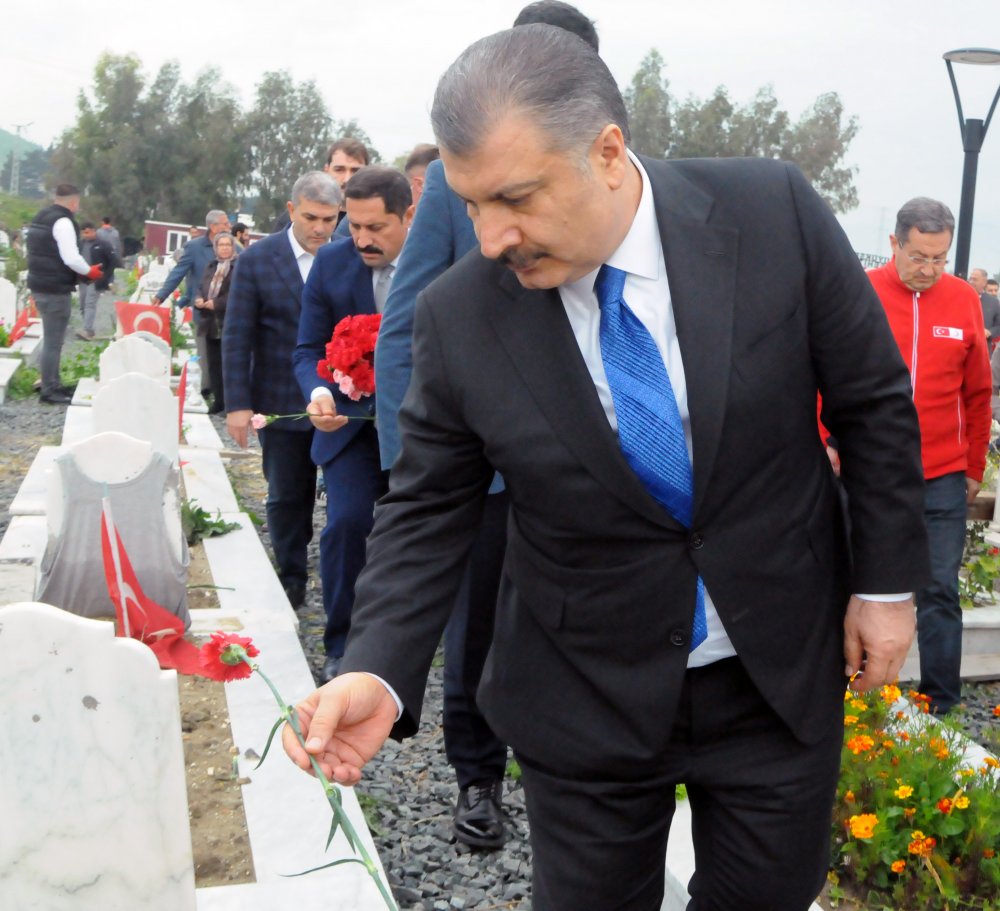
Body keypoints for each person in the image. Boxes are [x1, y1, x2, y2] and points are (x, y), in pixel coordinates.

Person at [283, 26, 929, 911]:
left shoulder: (769, 211)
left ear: (608, 152)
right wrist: (380, 667)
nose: (494, 235)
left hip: (774, 668)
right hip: (583, 686)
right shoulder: (460, 315)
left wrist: (887, 584)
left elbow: (872, 399)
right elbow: (429, 506)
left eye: (515, 197)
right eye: (471, 205)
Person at [374, 0, 600, 853]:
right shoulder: (453, 197)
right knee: (481, 629)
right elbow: (406, 329)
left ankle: (580, 774)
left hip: (599, 468)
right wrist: (415, 466)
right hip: (490, 468)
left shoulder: (610, 177)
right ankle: (478, 777)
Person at [868, 199, 991, 715]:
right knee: (863, 584)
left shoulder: (964, 300)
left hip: (942, 474)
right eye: (919, 257)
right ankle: (854, 694)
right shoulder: (863, 292)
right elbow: (824, 371)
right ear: (895, 244)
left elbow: (978, 391)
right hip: (871, 470)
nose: (929, 271)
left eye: (940, 260)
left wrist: (973, 467)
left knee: (939, 589)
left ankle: (941, 701)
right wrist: (828, 438)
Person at [293, 166, 413, 683]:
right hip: (351, 424)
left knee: (414, 537)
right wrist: (319, 393)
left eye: (376, 228)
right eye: (354, 225)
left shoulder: (437, 265)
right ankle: (341, 643)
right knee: (345, 525)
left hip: (418, 428)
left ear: (409, 216)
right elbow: (306, 349)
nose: (362, 240)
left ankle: (410, 644)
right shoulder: (331, 264)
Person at [223, 172, 342, 611]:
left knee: (347, 498)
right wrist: (237, 404)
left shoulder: (346, 257)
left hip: (339, 402)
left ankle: (344, 583)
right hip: (280, 400)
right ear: (292, 210)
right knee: (288, 495)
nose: (320, 228)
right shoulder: (258, 260)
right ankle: (291, 576)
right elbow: (237, 335)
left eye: (330, 219)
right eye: (311, 217)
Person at [26, 183, 104, 404]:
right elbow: (70, 258)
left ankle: (53, 381)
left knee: (52, 338)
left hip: (39, 283)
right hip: (54, 287)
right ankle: (49, 389)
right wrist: (90, 271)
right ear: (73, 201)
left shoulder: (41, 216)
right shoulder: (64, 222)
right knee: (54, 340)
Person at [154, 210, 231, 400]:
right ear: (214, 227)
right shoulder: (195, 247)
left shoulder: (233, 247)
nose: (228, 227)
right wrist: (162, 295)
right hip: (203, 311)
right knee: (205, 352)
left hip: (226, 310)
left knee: (225, 354)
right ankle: (207, 390)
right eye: (225, 223)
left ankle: (222, 393)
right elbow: (179, 272)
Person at [271, 138, 370, 234]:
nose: (347, 179)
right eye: (339, 170)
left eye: (356, 171)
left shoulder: (376, 220)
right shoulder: (296, 216)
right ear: (327, 170)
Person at [195, 232, 239, 414]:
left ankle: (230, 403)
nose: (225, 248)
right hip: (210, 323)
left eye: (228, 245)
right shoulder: (211, 266)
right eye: (221, 245)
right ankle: (218, 401)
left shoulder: (238, 268)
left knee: (228, 365)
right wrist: (198, 299)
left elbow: (237, 293)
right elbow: (201, 287)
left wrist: (217, 304)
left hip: (228, 322)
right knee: (213, 364)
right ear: (216, 248)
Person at [76, 221, 116, 341]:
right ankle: (88, 328)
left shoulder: (103, 244)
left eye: (87, 232)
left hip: (96, 278)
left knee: (90, 303)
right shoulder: (80, 244)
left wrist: (107, 278)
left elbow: (112, 262)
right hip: (82, 278)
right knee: (83, 304)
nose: (85, 235)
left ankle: (87, 329)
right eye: (83, 233)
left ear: (94, 231)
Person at [969, 266, 1000, 351]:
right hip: (962, 349)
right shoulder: (960, 298)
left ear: (984, 282)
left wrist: (990, 332)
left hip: (983, 350)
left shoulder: (993, 302)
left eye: (975, 279)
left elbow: (998, 325)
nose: (971, 282)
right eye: (970, 278)